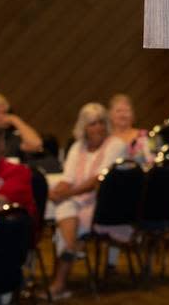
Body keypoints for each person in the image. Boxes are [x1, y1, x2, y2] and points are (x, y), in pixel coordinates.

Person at [47, 102, 127, 299]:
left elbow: (98, 180)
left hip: (104, 204)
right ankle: (72, 247)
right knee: (63, 205)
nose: (98, 128)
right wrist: (56, 191)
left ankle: (59, 282)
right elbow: (68, 178)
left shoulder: (116, 145)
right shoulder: (77, 147)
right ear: (84, 127)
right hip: (78, 201)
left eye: (101, 122)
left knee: (65, 212)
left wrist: (66, 193)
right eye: (92, 124)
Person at [0, 91, 43, 159]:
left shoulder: (12, 138)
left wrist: (15, 120)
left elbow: (36, 145)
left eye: (4, 112)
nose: (2, 116)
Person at [108, 93, 152, 165]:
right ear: (110, 115)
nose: (123, 115)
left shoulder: (144, 135)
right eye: (118, 111)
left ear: (133, 114)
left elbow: (151, 161)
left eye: (126, 111)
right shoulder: (105, 139)